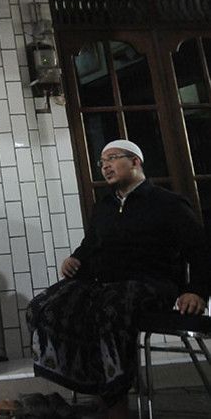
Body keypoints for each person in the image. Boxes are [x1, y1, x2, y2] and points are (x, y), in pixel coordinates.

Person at [27, 140, 211, 419]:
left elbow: (200, 250)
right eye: (102, 162)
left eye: (112, 159)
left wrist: (196, 291)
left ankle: (116, 405)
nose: (105, 167)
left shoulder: (168, 203)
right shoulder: (105, 207)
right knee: (46, 304)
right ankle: (93, 387)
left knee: (109, 308)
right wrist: (75, 259)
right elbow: (90, 247)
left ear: (135, 162)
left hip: (152, 284)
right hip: (105, 285)